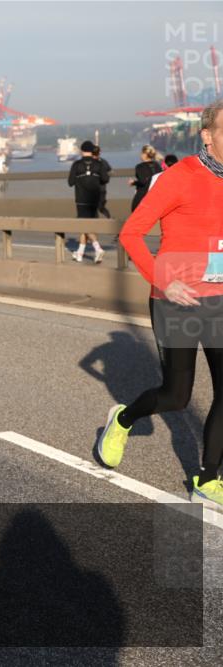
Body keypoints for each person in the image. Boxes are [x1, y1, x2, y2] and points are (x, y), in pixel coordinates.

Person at [97, 99, 223, 507]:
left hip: (219, 299)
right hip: (176, 300)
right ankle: (124, 418)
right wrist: (164, 282)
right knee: (177, 396)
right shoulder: (179, 177)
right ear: (207, 135)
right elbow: (132, 233)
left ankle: (207, 477)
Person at [67, 140, 109, 263]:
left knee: (84, 225)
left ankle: (98, 248)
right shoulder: (99, 164)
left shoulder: (76, 164)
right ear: (92, 151)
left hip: (81, 199)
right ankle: (79, 253)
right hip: (94, 199)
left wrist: (81, 178)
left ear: (81, 151)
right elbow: (105, 179)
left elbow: (70, 182)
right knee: (87, 226)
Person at [129, 144, 163, 212]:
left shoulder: (140, 167)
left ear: (145, 154)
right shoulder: (157, 165)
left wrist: (134, 182)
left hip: (143, 195)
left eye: (141, 153)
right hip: (156, 196)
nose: (140, 155)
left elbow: (143, 181)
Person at [93, 145, 112, 219]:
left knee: (93, 208)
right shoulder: (103, 162)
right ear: (99, 152)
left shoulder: (90, 163)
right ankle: (109, 219)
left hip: (94, 189)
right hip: (102, 189)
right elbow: (110, 171)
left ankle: (94, 225)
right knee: (101, 208)